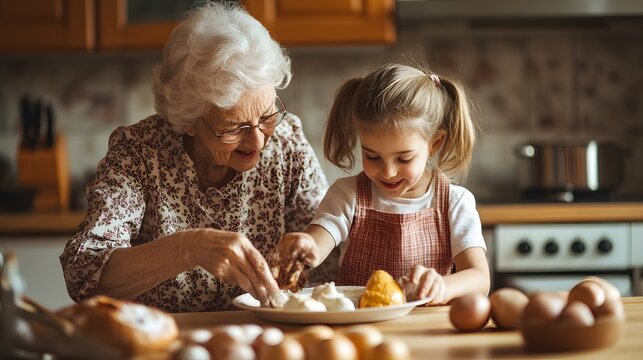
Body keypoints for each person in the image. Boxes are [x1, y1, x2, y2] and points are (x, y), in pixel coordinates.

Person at [59, 2, 329, 312]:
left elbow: (329, 246)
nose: (258, 140)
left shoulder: (287, 142)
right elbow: (84, 274)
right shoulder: (139, 151)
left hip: (266, 340)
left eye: (267, 116)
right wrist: (188, 249)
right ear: (188, 120)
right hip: (166, 344)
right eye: (234, 128)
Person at [277, 63, 489, 305]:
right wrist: (305, 245)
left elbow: (480, 278)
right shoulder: (348, 194)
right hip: (360, 326)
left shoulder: (454, 202)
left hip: (427, 328)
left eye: (404, 158)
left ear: (434, 143)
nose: (387, 172)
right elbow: (319, 241)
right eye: (372, 156)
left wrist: (443, 285)